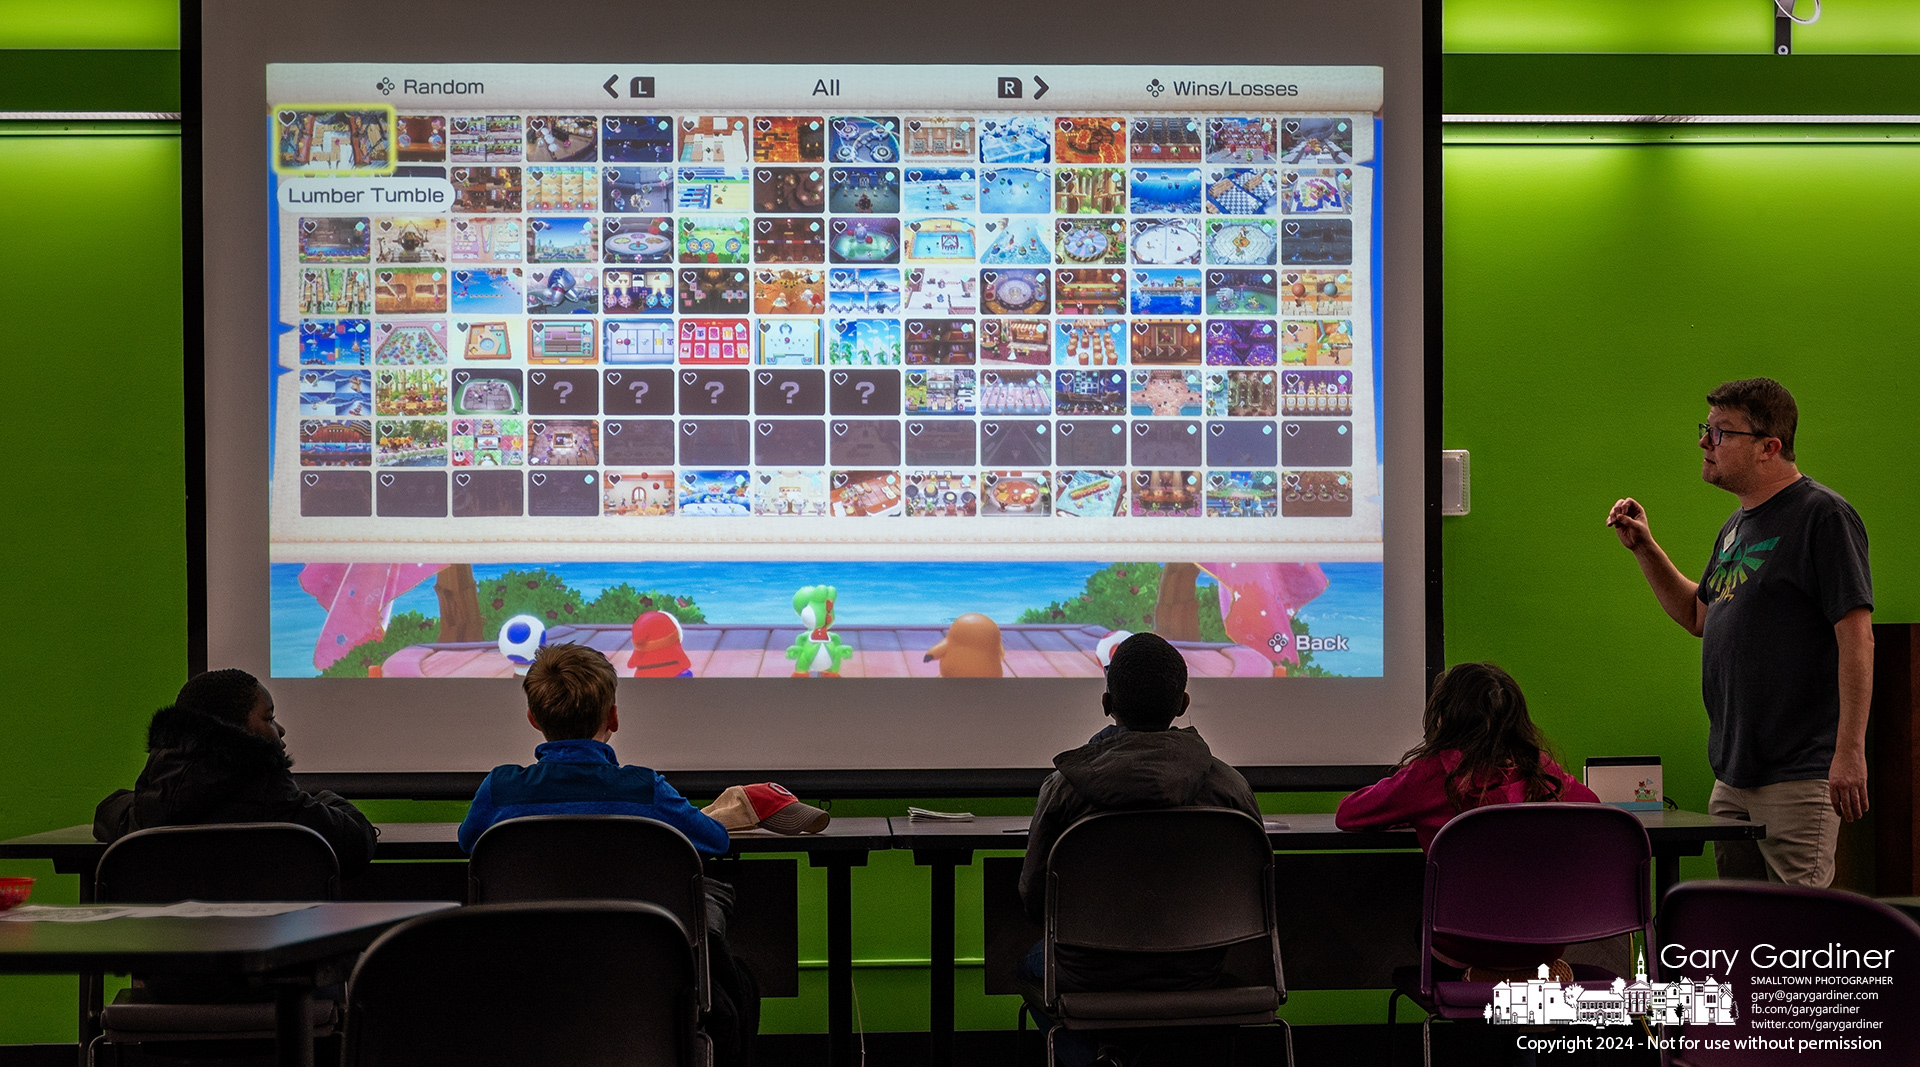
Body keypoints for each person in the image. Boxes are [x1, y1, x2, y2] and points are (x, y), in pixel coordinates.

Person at [1606, 377, 1873, 887]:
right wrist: (1645, 548)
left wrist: (1849, 752)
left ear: (1770, 446)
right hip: (1733, 778)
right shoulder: (1736, 526)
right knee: (1740, 935)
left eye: (1721, 432)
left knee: (1795, 951)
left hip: (1799, 776)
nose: (1705, 443)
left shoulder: (1823, 516)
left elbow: (1857, 637)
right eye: (1706, 429)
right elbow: (1697, 615)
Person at [457, 642, 756, 1065]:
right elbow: (715, 840)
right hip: (639, 976)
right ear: (613, 716)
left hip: (528, 976)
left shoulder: (500, 790)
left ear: (533, 719)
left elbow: (470, 843)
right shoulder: (645, 789)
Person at [1017, 633, 1262, 1067]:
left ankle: (1102, 1059)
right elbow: (1256, 892)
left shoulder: (1064, 790)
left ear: (1107, 702)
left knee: (1028, 964)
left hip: (1088, 970)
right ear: (1183, 704)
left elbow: (1034, 898)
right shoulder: (1230, 787)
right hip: (1195, 971)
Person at [1336, 662, 1598, 979]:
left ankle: (1479, 977)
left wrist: (1413, 814)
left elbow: (1349, 814)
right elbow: (1593, 808)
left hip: (1462, 944)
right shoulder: (1541, 771)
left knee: (1420, 924)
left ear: (1445, 717)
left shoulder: (1429, 775)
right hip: (1544, 942)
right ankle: (1523, 974)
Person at [94, 668, 377, 877]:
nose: (280, 730)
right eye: (268, 718)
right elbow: (356, 840)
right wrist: (326, 796)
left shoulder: (146, 811)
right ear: (235, 731)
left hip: (170, 954)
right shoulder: (275, 799)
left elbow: (107, 810)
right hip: (269, 952)